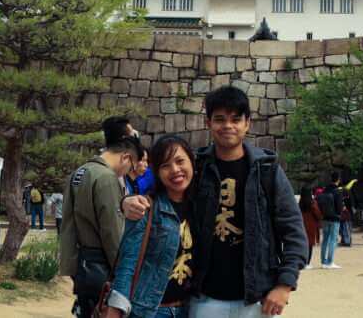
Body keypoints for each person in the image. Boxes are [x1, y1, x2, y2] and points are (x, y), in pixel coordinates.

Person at [122, 86, 307, 317]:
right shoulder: (197, 168)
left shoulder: (267, 172)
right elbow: (156, 191)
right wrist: (128, 202)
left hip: (256, 299)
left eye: (235, 119)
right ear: (208, 123)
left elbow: (294, 232)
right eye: (219, 119)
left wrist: (284, 285)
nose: (228, 126)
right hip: (205, 298)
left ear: (247, 123)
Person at [105, 135, 197, 318]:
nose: (175, 170)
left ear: (192, 162)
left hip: (190, 310)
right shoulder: (146, 208)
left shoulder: (201, 207)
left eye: (180, 161)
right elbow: (128, 263)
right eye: (165, 165)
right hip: (150, 311)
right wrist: (115, 311)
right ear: (156, 172)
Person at [60, 133, 144, 318]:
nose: (128, 172)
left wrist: (69, 264)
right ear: (126, 157)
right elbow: (112, 231)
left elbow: (66, 223)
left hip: (82, 264)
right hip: (101, 266)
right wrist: (123, 271)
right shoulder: (106, 178)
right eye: (131, 166)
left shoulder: (80, 171)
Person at [317, 172, 345, 269]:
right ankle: (330, 262)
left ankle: (323, 262)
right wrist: (340, 211)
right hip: (334, 218)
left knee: (325, 239)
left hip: (325, 217)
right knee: (333, 240)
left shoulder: (325, 190)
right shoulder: (337, 191)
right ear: (338, 179)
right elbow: (339, 206)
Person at [299, 187, 322, 269]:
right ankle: (307, 263)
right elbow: (318, 214)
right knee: (310, 245)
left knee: (302, 245)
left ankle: (302, 262)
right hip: (311, 226)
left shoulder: (300, 203)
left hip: (302, 226)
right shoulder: (312, 203)